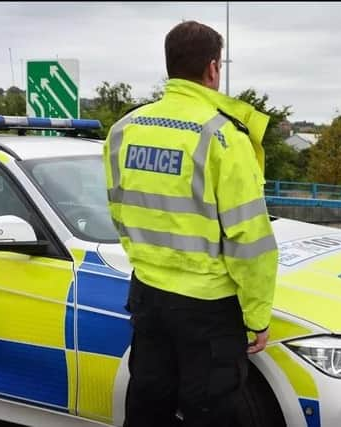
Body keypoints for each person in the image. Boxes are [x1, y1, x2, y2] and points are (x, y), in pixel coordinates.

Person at [102, 20, 278, 427]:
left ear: (170, 65)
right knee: (211, 411)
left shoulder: (124, 130)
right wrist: (257, 317)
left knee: (148, 403)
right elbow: (249, 238)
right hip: (208, 308)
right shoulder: (223, 137)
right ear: (213, 68)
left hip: (147, 294)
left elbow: (119, 210)